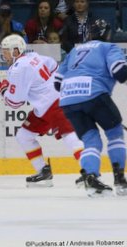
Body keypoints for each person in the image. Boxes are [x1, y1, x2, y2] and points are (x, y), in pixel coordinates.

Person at [0, 34, 83, 187]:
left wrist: (3, 91)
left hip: (55, 104)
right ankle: (43, 171)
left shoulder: (18, 69)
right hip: (44, 107)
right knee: (24, 135)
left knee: (68, 134)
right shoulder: (33, 56)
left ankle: (90, 171)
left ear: (16, 51)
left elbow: (15, 103)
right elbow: (53, 66)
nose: (4, 54)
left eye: (6, 51)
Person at [54, 19, 127, 197]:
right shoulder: (108, 47)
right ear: (107, 34)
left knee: (91, 140)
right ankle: (119, 179)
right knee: (115, 132)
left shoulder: (73, 51)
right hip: (94, 93)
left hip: (68, 99)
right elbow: (120, 73)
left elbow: (57, 83)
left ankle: (91, 178)